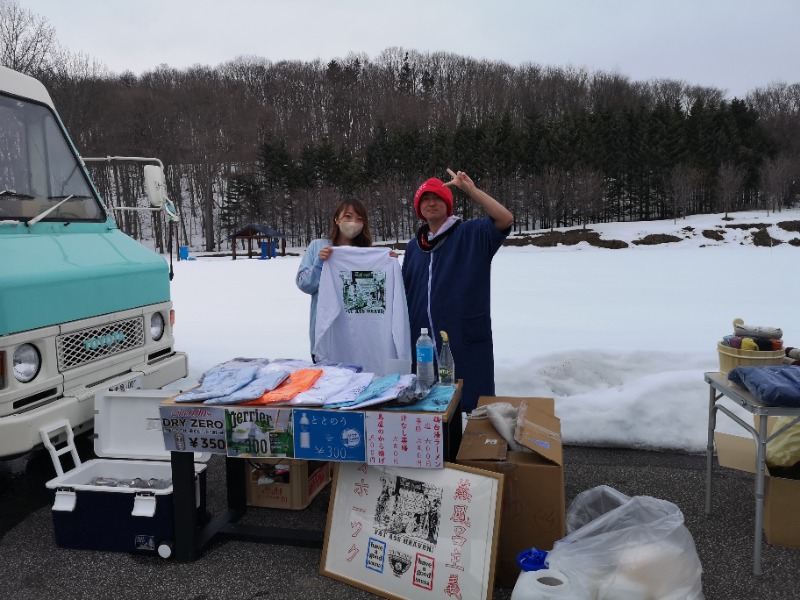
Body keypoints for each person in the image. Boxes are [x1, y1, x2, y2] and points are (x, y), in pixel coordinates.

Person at [402, 169, 513, 413]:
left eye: (438, 197)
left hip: (464, 335)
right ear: (419, 208)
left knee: (472, 405)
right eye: (425, 199)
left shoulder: (472, 234)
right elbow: (405, 291)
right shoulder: (413, 247)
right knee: (429, 408)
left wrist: (471, 190)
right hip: (423, 342)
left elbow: (505, 219)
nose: (432, 203)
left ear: (448, 204)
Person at [296, 199, 373, 359]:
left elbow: (373, 299)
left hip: (357, 340)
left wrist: (388, 264)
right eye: (348, 216)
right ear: (336, 219)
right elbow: (304, 284)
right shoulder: (318, 246)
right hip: (326, 337)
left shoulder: (366, 255)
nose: (353, 222)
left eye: (359, 219)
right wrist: (319, 263)